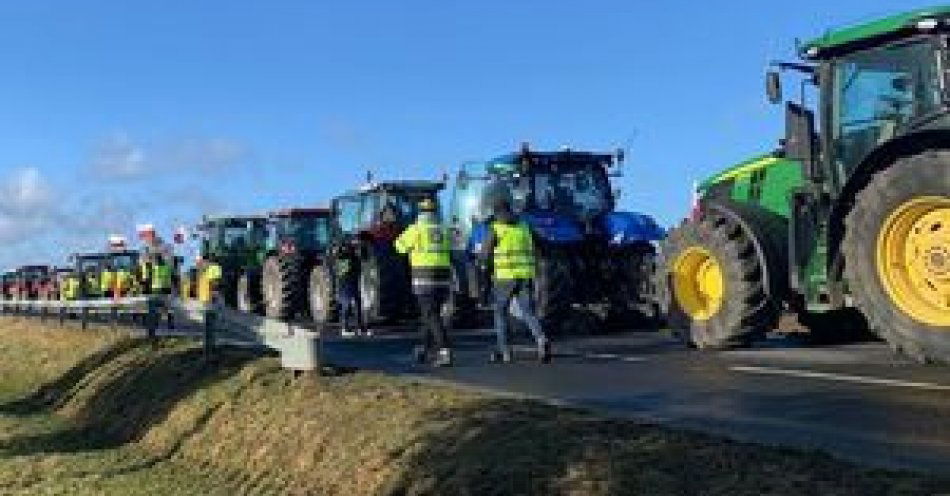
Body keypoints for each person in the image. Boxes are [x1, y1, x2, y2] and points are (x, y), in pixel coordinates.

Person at [484, 198, 550, 363]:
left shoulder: (496, 229)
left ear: (497, 213)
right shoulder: (525, 227)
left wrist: (484, 267)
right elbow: (542, 245)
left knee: (500, 313)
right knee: (528, 312)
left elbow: (485, 254)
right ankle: (541, 339)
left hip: (504, 278)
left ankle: (505, 352)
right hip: (525, 276)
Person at [395, 198, 453, 367]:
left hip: (424, 278)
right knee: (429, 314)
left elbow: (399, 247)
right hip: (444, 278)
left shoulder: (416, 229)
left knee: (431, 315)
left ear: (419, 212)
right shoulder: (443, 229)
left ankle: (444, 350)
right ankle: (422, 348)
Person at [334, 236, 368, 338]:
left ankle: (360, 327)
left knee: (357, 302)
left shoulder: (353, 254)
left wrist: (360, 248)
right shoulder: (342, 253)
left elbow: (364, 257)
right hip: (346, 279)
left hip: (353, 278)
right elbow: (342, 268)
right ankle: (345, 327)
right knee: (347, 303)